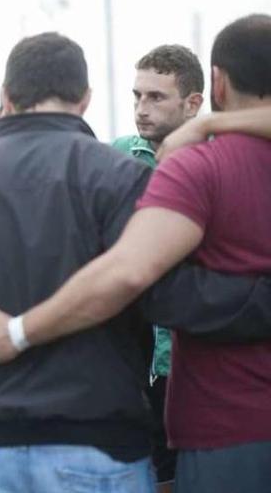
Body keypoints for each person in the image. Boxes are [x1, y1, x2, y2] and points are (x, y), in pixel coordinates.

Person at [0, 31, 271, 493]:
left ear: (6, 97)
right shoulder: (121, 178)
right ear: (85, 99)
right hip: (101, 439)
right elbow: (165, 295)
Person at [110, 43, 205, 492]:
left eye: (155, 97)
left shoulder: (219, 159)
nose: (141, 109)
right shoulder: (119, 155)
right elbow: (56, 170)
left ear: (193, 104)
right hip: (128, 361)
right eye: (136, 96)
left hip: (197, 359)